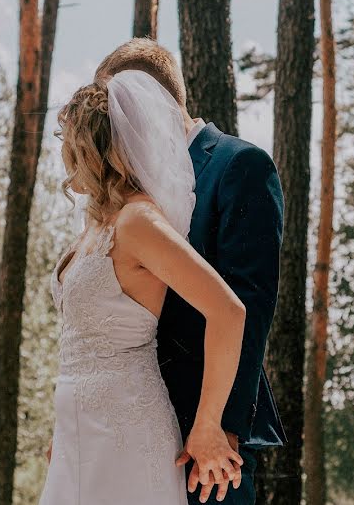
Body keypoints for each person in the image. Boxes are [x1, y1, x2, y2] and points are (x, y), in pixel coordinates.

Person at [40, 69, 247, 505]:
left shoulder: (139, 221)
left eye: (67, 141)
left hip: (126, 429)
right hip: (80, 435)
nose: (61, 153)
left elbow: (229, 311)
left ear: (91, 149)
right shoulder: (98, 225)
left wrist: (208, 424)